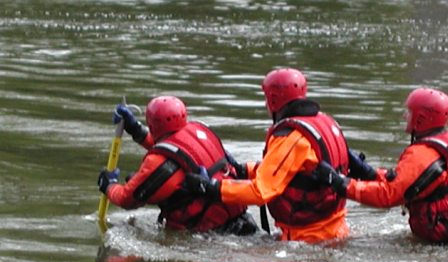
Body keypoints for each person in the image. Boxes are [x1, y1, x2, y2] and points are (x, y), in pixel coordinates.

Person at [184, 68, 376, 243]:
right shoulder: (325, 122)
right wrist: (244, 170)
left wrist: (211, 187)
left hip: (308, 240)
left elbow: (260, 192)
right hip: (335, 231)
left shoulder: (291, 138)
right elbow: (292, 171)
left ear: (273, 100)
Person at [315, 87, 448, 244]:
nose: (405, 116)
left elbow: (388, 195)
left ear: (421, 119)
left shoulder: (423, 153)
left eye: (409, 112)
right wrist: (370, 173)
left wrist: (340, 183)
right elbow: (410, 182)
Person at [97, 95, 257, 235]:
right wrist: (135, 129)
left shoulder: (157, 163)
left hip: (210, 235)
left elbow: (127, 199)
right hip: (243, 220)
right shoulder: (198, 132)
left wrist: (108, 185)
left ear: (152, 124)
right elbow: (174, 149)